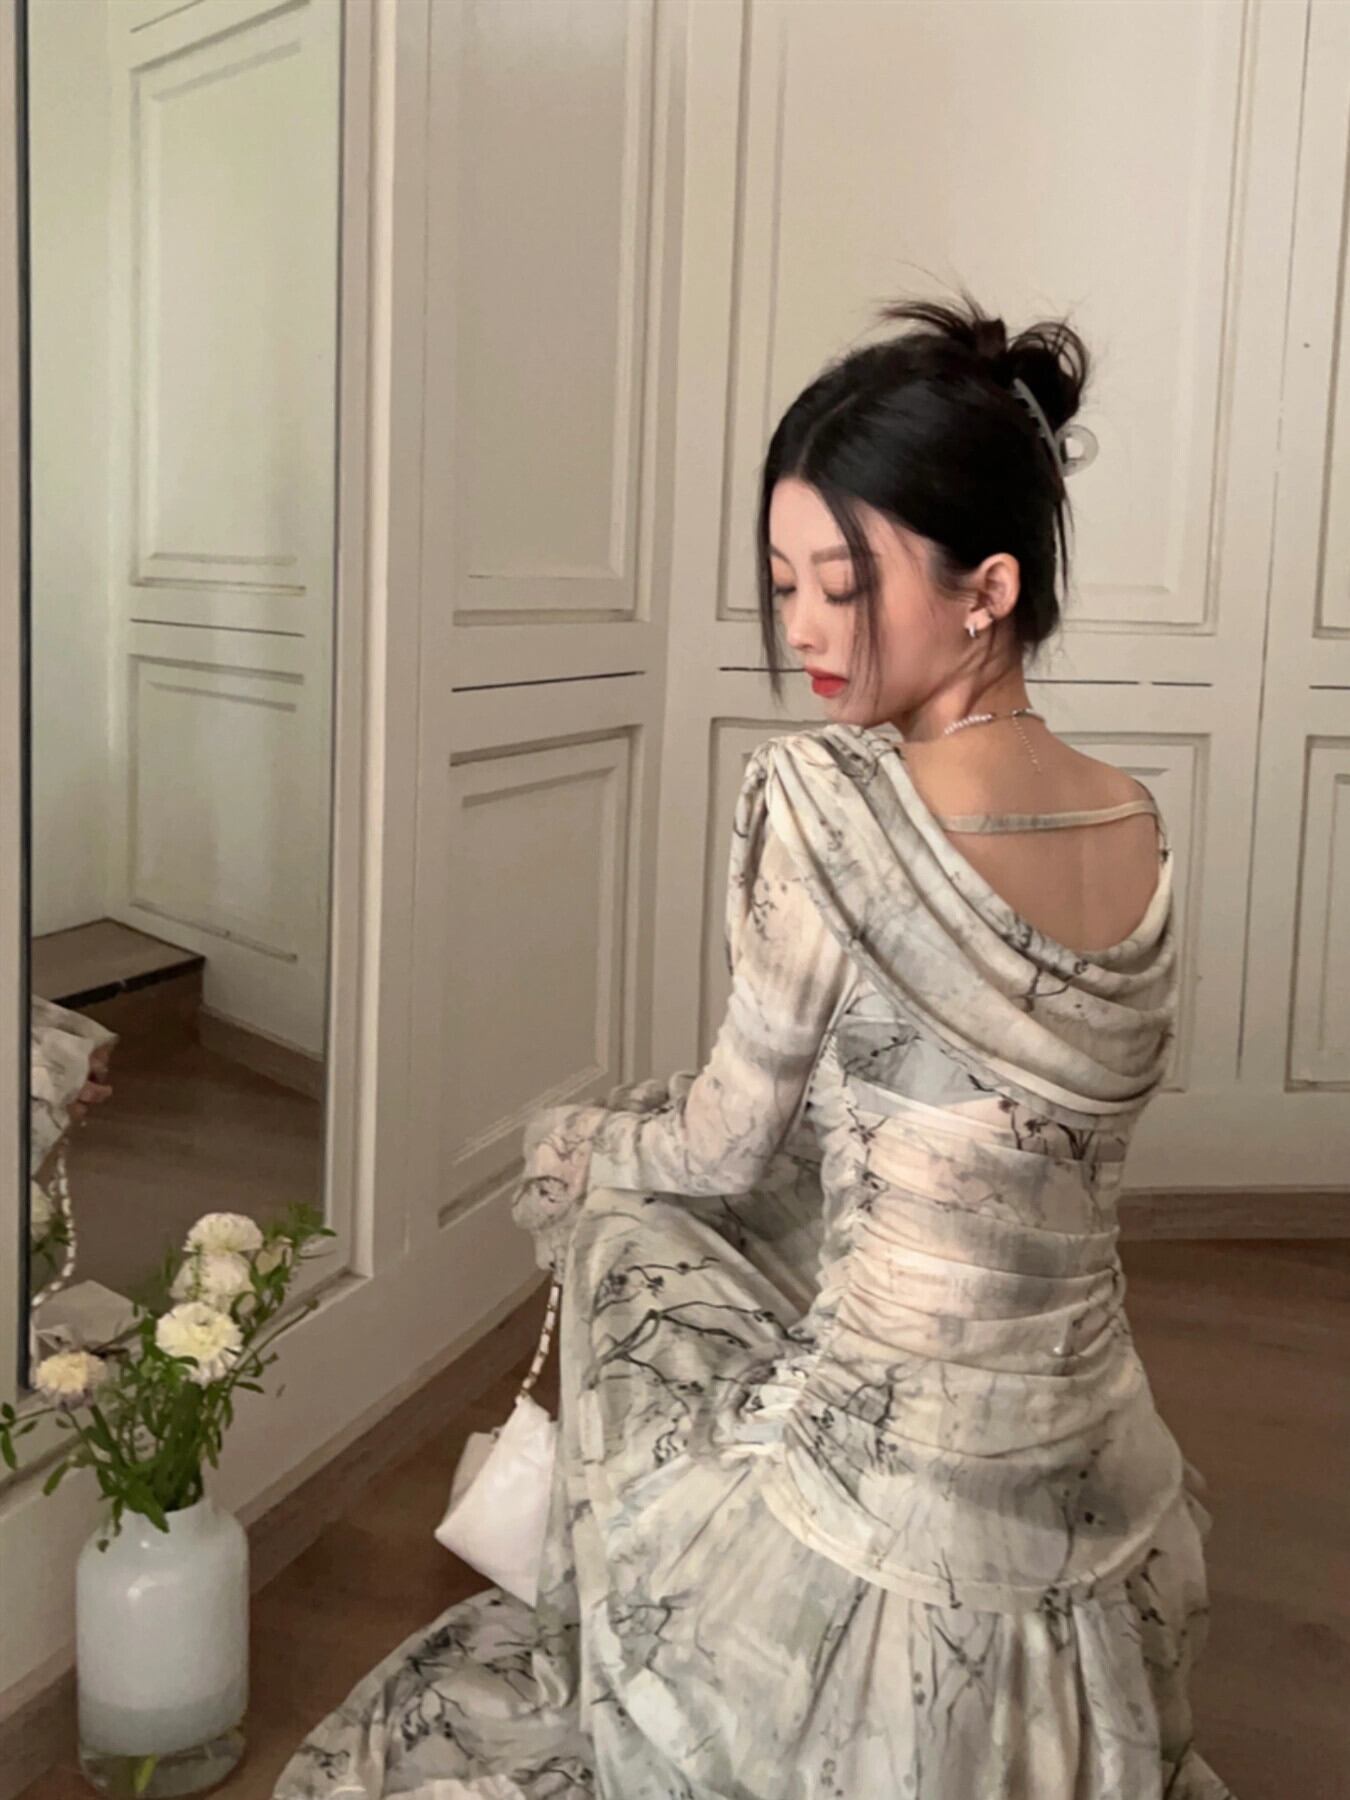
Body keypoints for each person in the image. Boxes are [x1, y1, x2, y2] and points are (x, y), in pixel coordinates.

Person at [275, 298, 1232, 1798]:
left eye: (842, 584)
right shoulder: (1138, 820)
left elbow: (724, 1144)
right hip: (1089, 1452)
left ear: (987, 591)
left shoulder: (824, 801)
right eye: (783, 584)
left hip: (896, 1479)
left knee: (621, 1216)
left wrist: (578, 1144)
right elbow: (992, 1130)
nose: (802, 628)